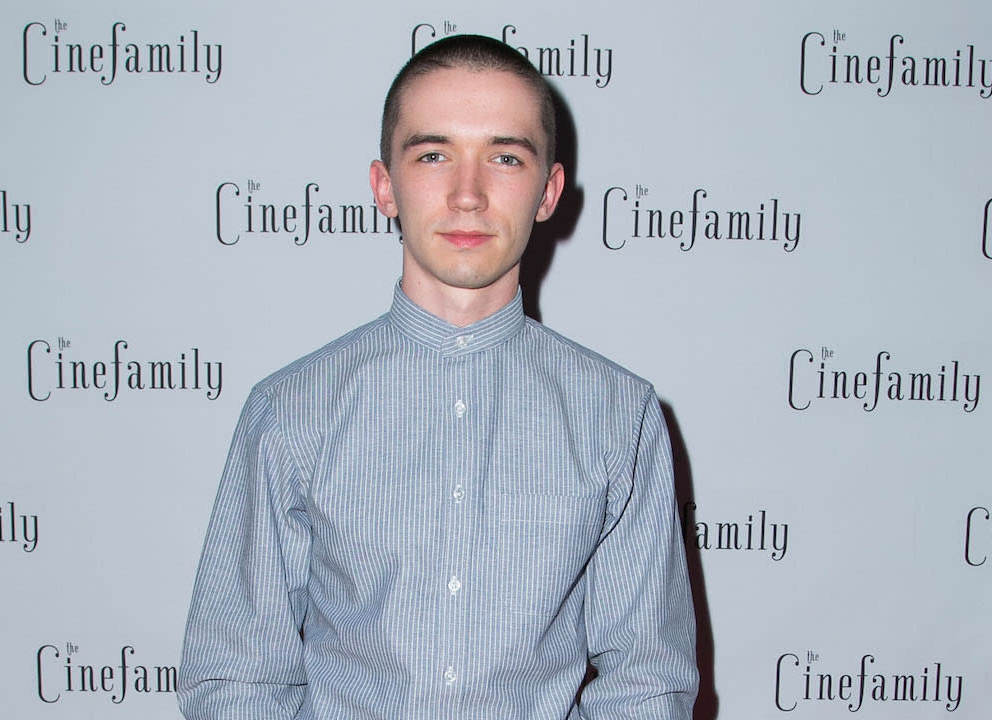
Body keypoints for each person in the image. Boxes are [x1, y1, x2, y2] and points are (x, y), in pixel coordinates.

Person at [178, 34, 698, 719]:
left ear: (548, 191)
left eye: (504, 157)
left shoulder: (619, 414)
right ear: (383, 185)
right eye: (433, 154)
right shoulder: (291, 410)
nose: (467, 194)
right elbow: (236, 680)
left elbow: (647, 683)